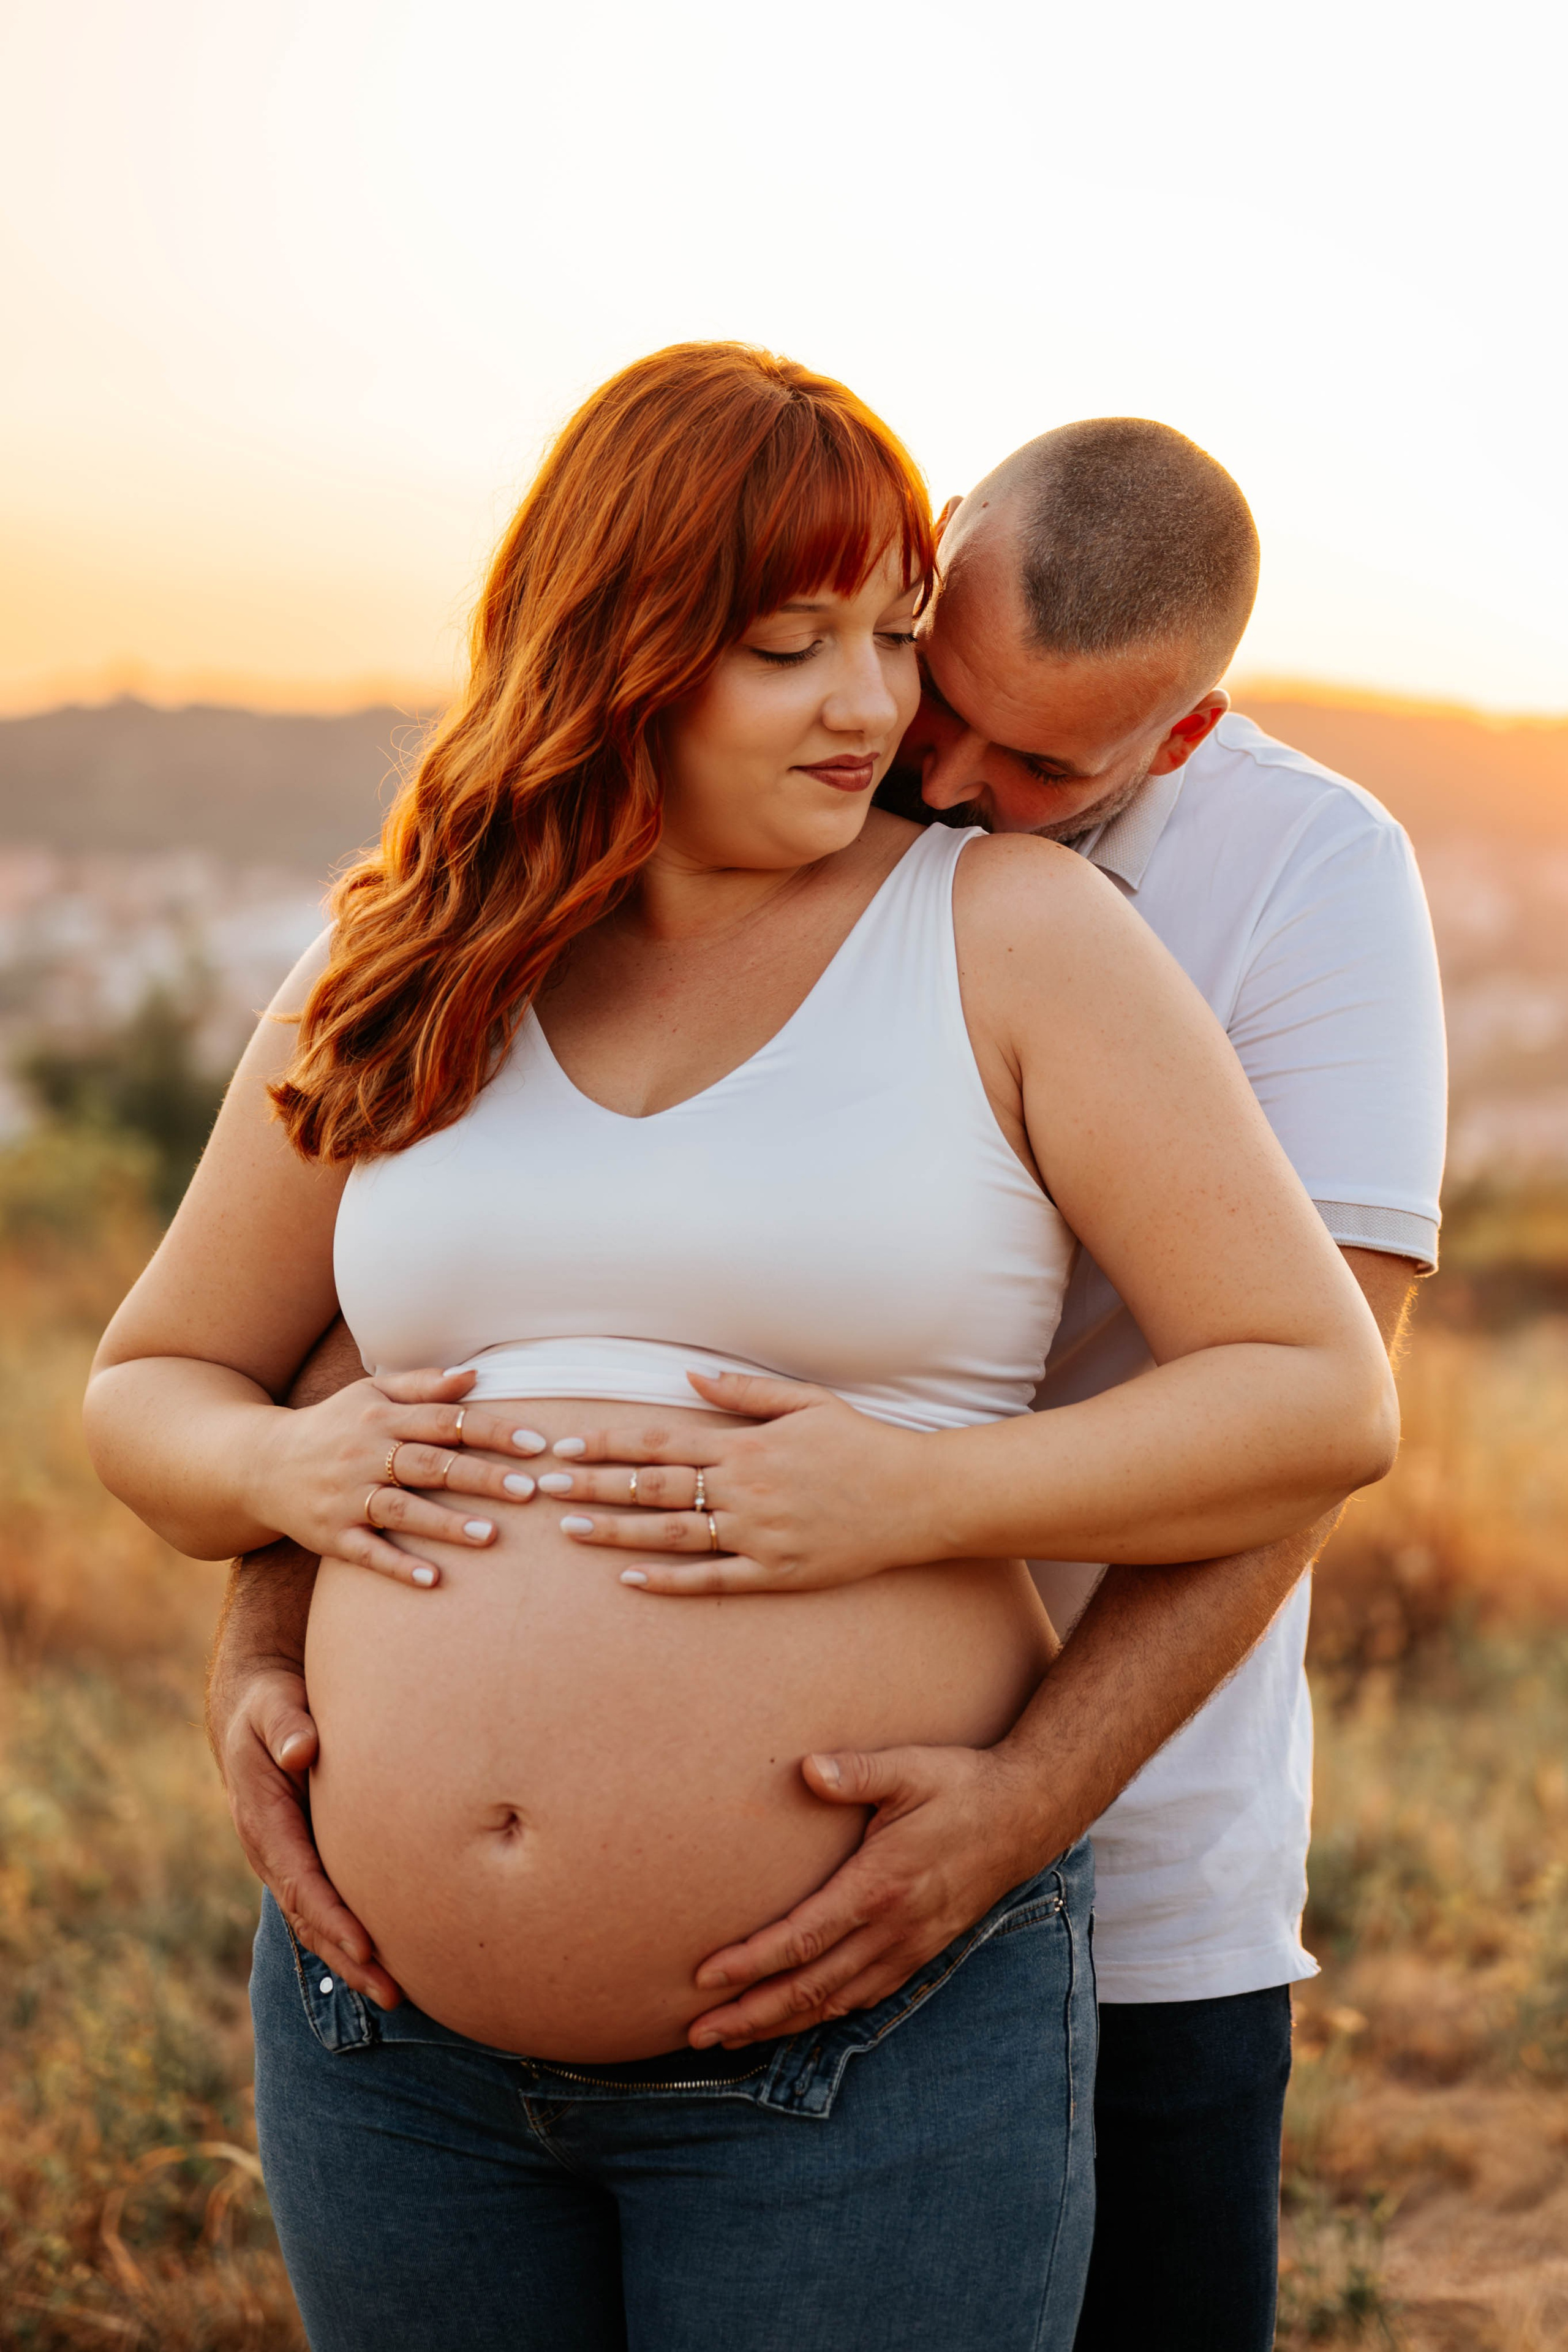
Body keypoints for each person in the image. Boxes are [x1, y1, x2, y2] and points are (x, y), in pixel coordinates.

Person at [98, 346, 1395, 2351]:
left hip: (867, 2037)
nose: (889, 723)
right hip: (386, 2043)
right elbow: (163, 1382)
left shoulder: (1030, 927)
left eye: (891, 641)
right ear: (626, 647)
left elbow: (1321, 1395)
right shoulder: (398, 956)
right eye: (809, 648)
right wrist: (277, 1505)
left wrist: (914, 1506)